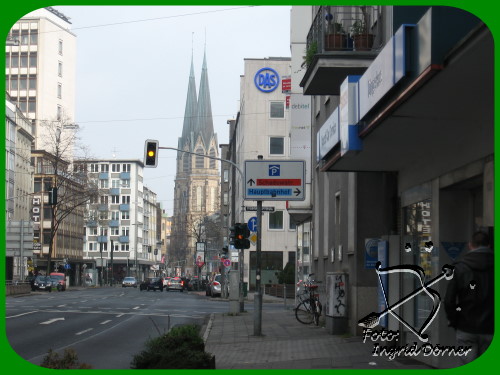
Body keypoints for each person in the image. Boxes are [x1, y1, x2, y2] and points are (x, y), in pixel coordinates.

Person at [444, 231, 494, 364]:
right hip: (491, 327)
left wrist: (454, 321)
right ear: (489, 246)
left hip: (466, 327)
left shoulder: (460, 268)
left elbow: (449, 301)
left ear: (470, 245)